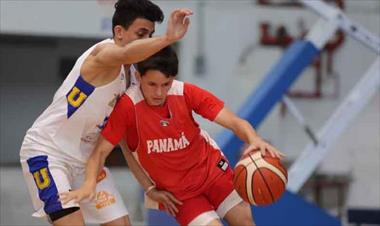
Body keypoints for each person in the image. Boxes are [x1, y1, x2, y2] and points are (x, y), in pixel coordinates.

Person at [61, 46, 284, 226]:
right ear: (138, 77)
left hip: (213, 173)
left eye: (165, 84)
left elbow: (235, 122)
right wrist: (90, 184)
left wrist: (254, 139)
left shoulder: (185, 92)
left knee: (245, 222)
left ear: (173, 78)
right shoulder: (128, 107)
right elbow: (102, 151)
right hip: (181, 196)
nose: (159, 92)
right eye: (152, 85)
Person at [19, 0, 193, 225]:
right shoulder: (103, 54)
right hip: (48, 152)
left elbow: (121, 141)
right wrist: (168, 39)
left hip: (88, 161)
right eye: (141, 34)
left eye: (151, 35)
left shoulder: (132, 78)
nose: (148, 41)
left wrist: (149, 187)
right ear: (118, 32)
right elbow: (124, 55)